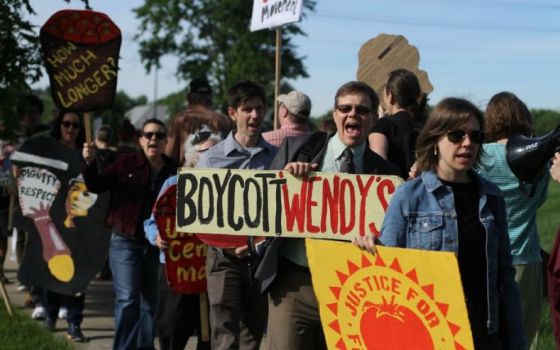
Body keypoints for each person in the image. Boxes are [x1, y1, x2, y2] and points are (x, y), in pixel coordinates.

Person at [355, 97, 526, 349]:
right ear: (435, 140)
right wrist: (372, 247)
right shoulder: (408, 196)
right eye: (456, 135)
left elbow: (505, 277)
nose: (467, 144)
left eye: (475, 136)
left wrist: (516, 341)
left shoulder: (492, 197)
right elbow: (388, 274)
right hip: (428, 335)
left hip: (484, 334)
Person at [255, 81, 400, 349]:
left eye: (362, 110)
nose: (353, 114)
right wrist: (286, 182)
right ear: (335, 114)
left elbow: (392, 236)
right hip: (295, 286)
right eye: (345, 108)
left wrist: (377, 244)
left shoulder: (386, 176)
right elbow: (264, 209)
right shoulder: (297, 150)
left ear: (374, 118)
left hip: (352, 290)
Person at [82, 118, 177, 350]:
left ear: (165, 141)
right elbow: (95, 184)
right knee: (127, 300)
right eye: (148, 134)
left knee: (150, 303)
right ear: (140, 140)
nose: (153, 138)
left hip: (156, 244)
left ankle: (145, 346)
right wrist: (89, 162)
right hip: (125, 241)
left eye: (159, 135)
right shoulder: (126, 163)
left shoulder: (174, 170)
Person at [196, 81, 276, 349]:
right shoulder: (210, 160)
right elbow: (200, 215)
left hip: (261, 261)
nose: (254, 115)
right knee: (224, 336)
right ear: (233, 113)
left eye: (259, 109)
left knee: (252, 337)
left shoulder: (277, 160)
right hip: (223, 260)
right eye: (247, 109)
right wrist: (228, 246)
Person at [476, 92, 548, 349]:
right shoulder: (538, 155)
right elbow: (538, 201)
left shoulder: (480, 154)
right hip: (527, 257)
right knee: (523, 338)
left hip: (486, 257)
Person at [145, 127, 225, 350]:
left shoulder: (225, 186)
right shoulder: (172, 185)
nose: (208, 157)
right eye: (202, 152)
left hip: (212, 270)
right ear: (191, 156)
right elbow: (151, 221)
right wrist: (157, 236)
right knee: (171, 330)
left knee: (209, 335)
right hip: (177, 269)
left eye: (213, 151)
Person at [43, 111, 87, 342]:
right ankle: (50, 316)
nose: (71, 129)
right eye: (66, 124)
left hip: (78, 221)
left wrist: (89, 162)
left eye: (75, 125)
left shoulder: (86, 154)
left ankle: (74, 322)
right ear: (58, 126)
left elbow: (93, 187)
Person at [13, 94, 50, 316]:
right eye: (28, 113)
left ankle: (35, 289)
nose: (31, 116)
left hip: (43, 194)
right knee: (23, 238)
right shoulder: (15, 135)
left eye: (35, 112)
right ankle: (28, 284)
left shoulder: (47, 133)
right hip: (19, 193)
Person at [368, 69, 427, 178]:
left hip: (395, 192)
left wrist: (380, 124)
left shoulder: (382, 127)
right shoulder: (429, 125)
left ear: (390, 95)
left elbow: (379, 171)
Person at [165, 77, 231, 165]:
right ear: (211, 97)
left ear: (189, 97)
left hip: (187, 175)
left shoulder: (180, 120)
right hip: (217, 174)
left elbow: (168, 155)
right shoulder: (224, 120)